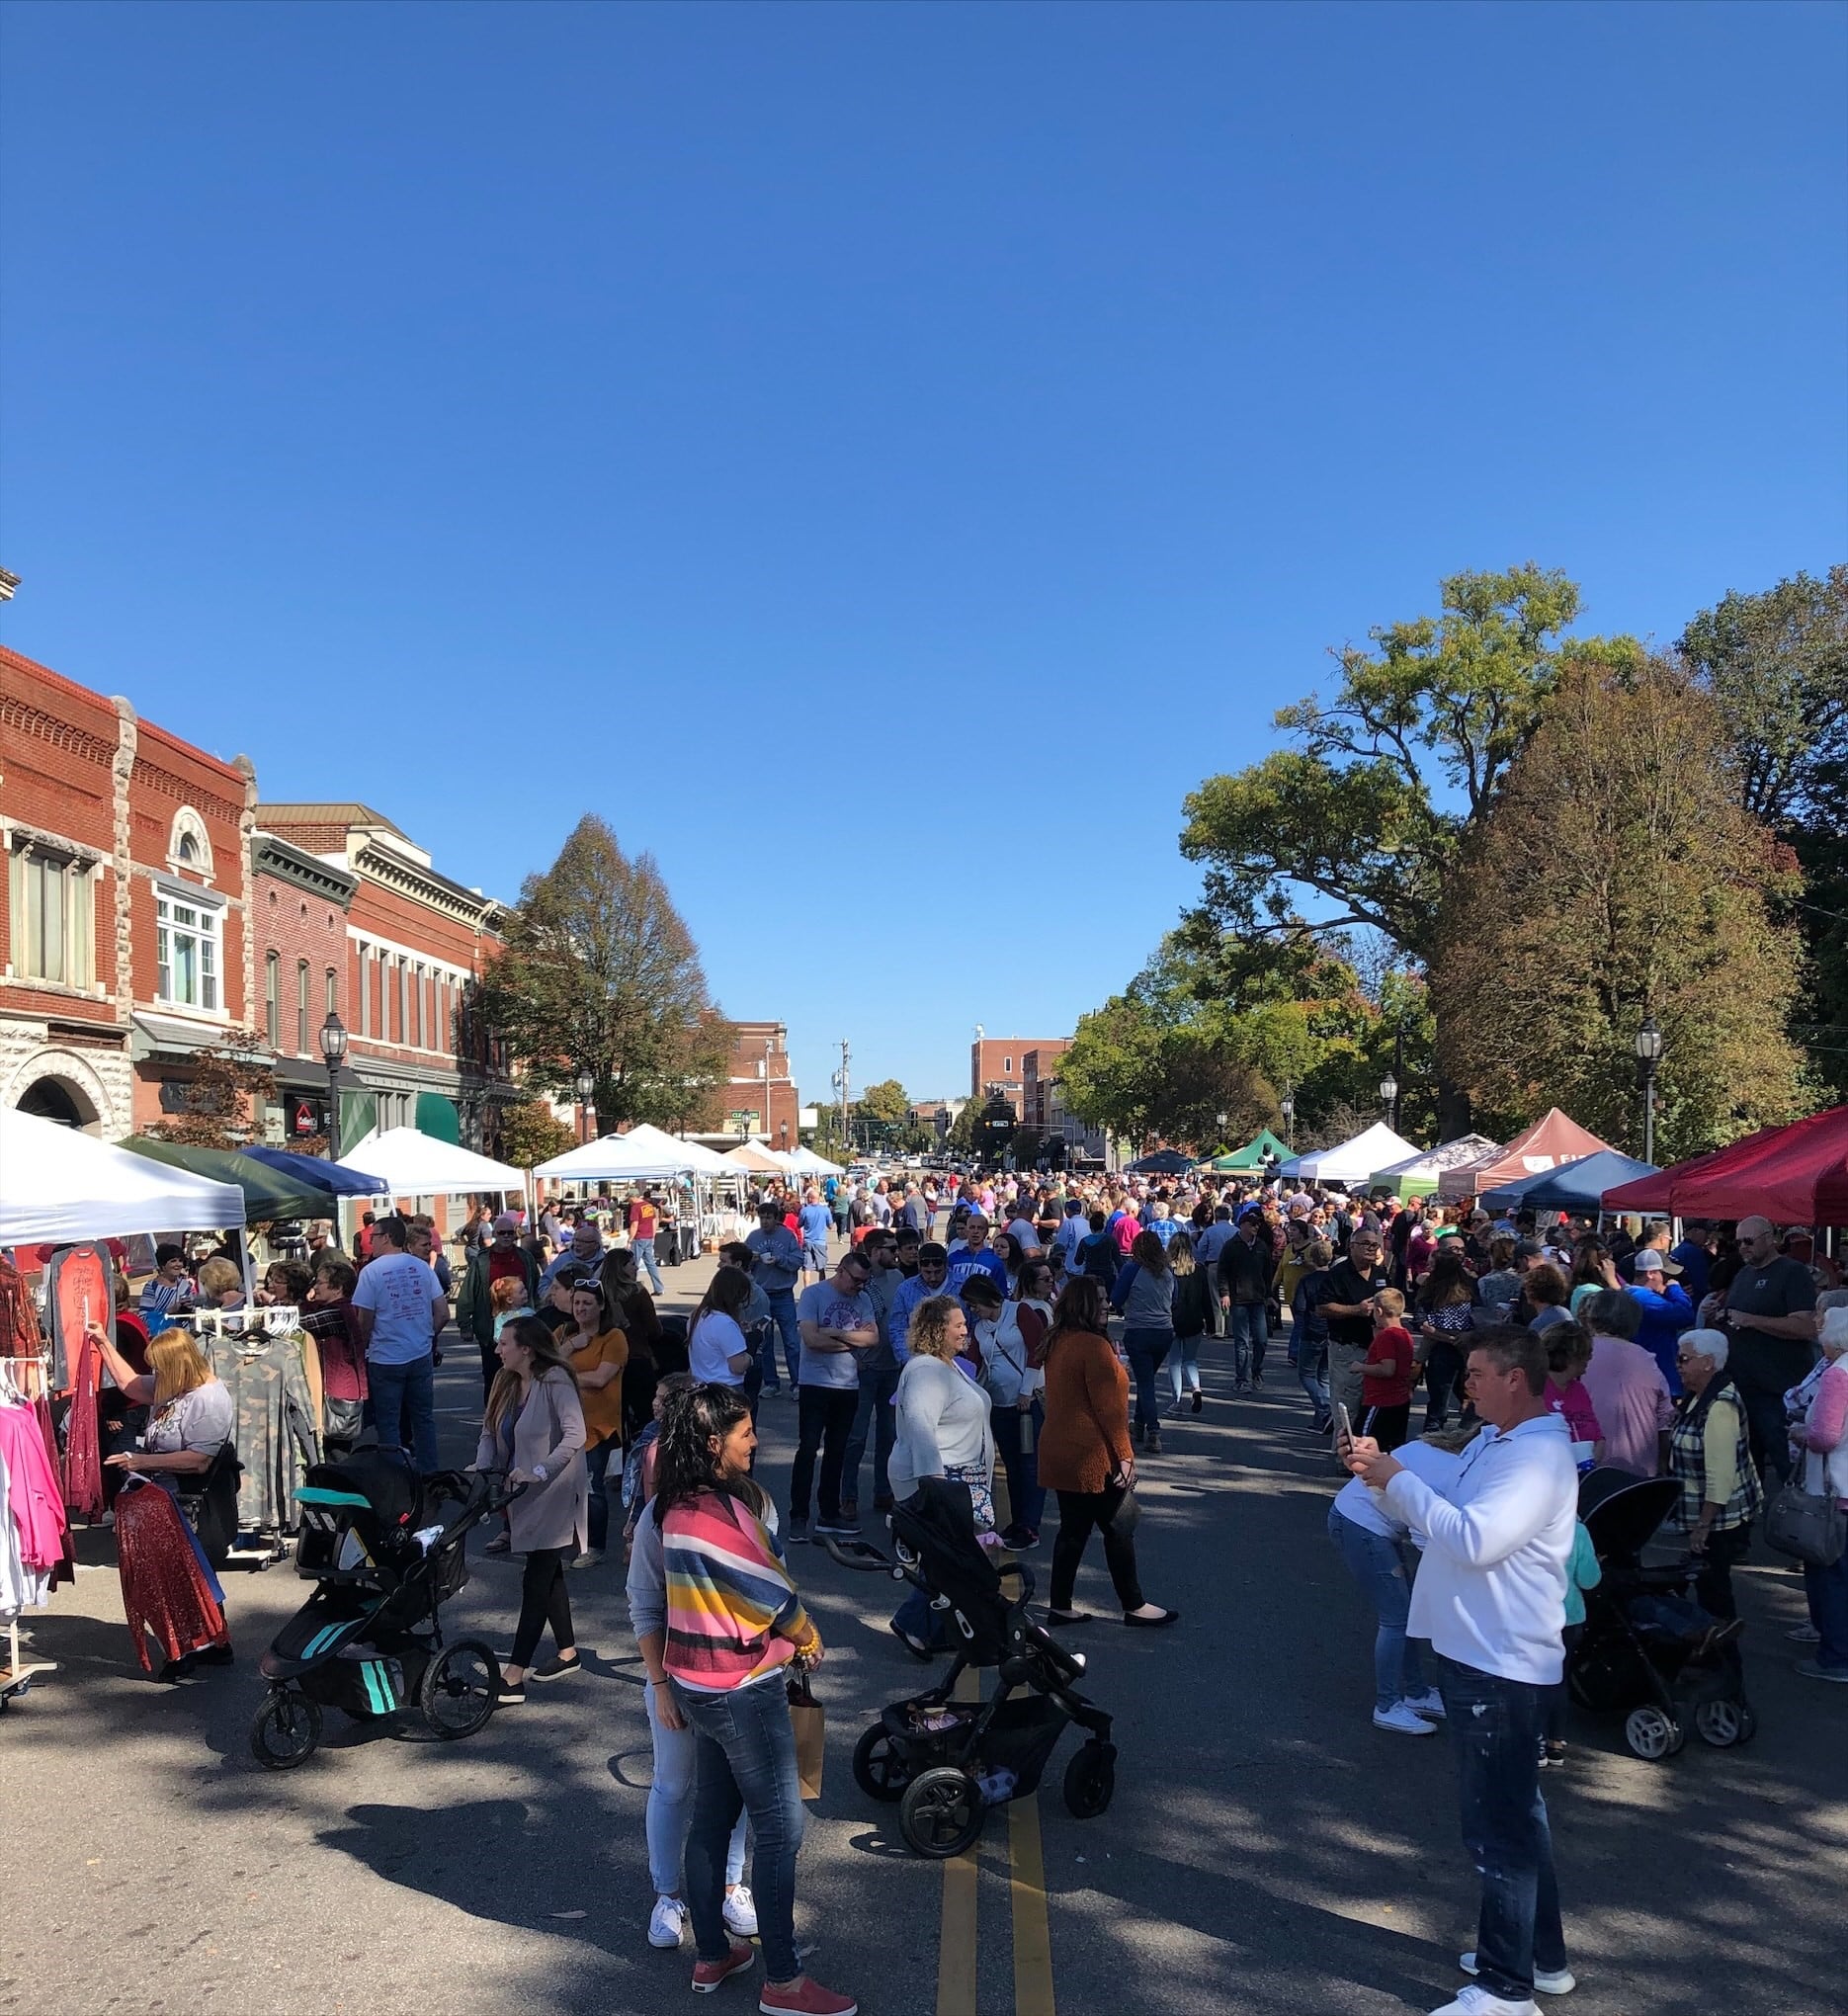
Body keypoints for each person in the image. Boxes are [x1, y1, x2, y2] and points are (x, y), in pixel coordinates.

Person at [1347, 1329, 1579, 2016]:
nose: (1464, 1382)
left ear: (1516, 1379)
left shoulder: (1535, 1456)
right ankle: (1539, 1957)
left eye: (1477, 1373)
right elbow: (1443, 1523)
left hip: (1497, 1660)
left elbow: (1474, 1540)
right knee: (1517, 1818)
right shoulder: (1499, 1443)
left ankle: (1507, 1991)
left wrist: (1399, 1480)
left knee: (1496, 1828)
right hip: (1481, 1651)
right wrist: (1383, 1480)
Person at [641, 1385, 855, 2016]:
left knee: (711, 1816)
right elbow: (766, 1590)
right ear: (714, 1444)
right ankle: (785, 1982)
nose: (755, 1441)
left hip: (695, 1684)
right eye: (745, 1433)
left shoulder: (670, 1507)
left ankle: (713, 1952)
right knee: (780, 1827)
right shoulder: (719, 1514)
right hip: (741, 1687)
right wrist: (808, 1636)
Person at [90, 1323, 236, 1677]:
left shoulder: (209, 1398)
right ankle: (203, 1645)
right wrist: (102, 1342)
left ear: (177, 1366)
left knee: (181, 1578)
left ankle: (190, 1650)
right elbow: (130, 1384)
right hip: (165, 1498)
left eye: (159, 1368)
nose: (155, 1374)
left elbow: (198, 1458)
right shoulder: (174, 1386)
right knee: (175, 1579)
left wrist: (140, 1461)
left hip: (192, 1503)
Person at [1037, 1278, 1176, 1630]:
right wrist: (1126, 1457)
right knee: (1119, 1527)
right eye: (1096, 1300)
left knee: (1073, 1531)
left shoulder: (1059, 1340)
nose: (1105, 1305)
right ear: (1080, 1304)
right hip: (1090, 1453)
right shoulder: (1091, 1346)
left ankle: (1060, 1604)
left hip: (1060, 1448)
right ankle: (1134, 1605)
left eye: (1104, 1299)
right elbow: (1109, 1412)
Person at [475, 1316, 589, 1702]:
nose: (497, 1349)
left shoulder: (555, 1380)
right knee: (548, 1568)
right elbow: (490, 1432)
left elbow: (576, 1435)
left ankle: (513, 1676)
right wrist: (483, 1468)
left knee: (535, 1579)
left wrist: (540, 1470)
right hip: (523, 1488)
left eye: (504, 1343)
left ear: (527, 1348)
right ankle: (568, 1652)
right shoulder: (505, 1381)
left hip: (555, 1489)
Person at [1327, 1430, 1461, 1734]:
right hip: (1362, 1524)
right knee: (1396, 1618)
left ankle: (1416, 1693)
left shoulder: (1443, 1450)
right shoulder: (1454, 1474)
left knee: (1406, 1614)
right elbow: (1424, 1533)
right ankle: (1387, 1705)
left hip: (1366, 1520)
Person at [886, 1294, 998, 1655]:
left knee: (951, 1559)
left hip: (961, 1477)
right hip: (942, 1479)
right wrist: (933, 1483)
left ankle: (937, 1628)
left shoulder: (948, 1366)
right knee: (953, 1560)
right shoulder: (925, 1370)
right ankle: (915, 1623)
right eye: (959, 1324)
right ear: (938, 1330)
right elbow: (920, 1426)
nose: (966, 1330)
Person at [1719, 1215, 1820, 1491]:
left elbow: (1806, 1326)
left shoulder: (1792, 1272)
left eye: (1749, 1241)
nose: (1743, 1247)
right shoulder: (1743, 1273)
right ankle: (1750, 1521)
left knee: (1787, 1464)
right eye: (1738, 1242)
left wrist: (1751, 1320)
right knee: (1746, 1466)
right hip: (1741, 1386)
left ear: (1770, 1238)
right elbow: (1735, 1316)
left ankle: (1799, 1524)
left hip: (1777, 1389)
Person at [1669, 1329, 1762, 1622]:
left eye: (1684, 1359)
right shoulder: (1698, 1396)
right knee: (1708, 1586)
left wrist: (1703, 1526)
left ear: (1708, 1362)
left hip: (1719, 1519)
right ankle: (1713, 1652)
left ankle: (1723, 1659)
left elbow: (1720, 1475)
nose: (1678, 1365)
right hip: (1707, 1514)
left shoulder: (1720, 1406)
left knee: (1714, 1591)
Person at [352, 1216, 449, 1473]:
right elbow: (443, 1313)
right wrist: (427, 1335)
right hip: (419, 1353)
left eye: (373, 1236)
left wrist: (361, 1350)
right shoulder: (421, 1267)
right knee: (423, 1418)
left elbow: (364, 1320)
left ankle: (397, 1478)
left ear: (386, 1237)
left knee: (389, 1422)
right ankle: (430, 1473)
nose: (370, 1241)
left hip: (386, 1356)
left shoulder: (371, 1272)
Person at [790, 1250, 876, 1542]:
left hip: (847, 1385)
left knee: (837, 1452)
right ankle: (798, 1515)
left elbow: (872, 1339)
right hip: (815, 1383)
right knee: (808, 1448)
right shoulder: (814, 1295)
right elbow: (812, 1340)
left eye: (864, 1281)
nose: (859, 1286)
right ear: (841, 1271)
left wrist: (835, 1333)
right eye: (855, 1279)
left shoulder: (863, 1300)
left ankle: (829, 1512)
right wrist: (853, 1343)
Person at [1787, 1304, 1848, 1682]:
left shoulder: (1838, 1376)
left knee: (1832, 1574)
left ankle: (1835, 1655)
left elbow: (1825, 1436)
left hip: (1834, 1489)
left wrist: (1799, 1434)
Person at [563, 1281, 629, 1570]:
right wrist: (568, 1348)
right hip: (563, 1424)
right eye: (577, 1302)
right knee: (564, 1487)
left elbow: (602, 1378)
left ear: (601, 1306)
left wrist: (565, 1376)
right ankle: (564, 1542)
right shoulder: (564, 1335)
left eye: (588, 1303)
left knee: (591, 1488)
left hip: (598, 1426)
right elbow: (542, 1365)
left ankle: (594, 1547)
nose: (581, 1308)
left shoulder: (613, 1338)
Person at [839, 1228, 902, 1522]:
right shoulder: (858, 1281)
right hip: (864, 1369)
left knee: (889, 1435)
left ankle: (883, 1491)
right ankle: (848, 1496)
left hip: (892, 1368)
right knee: (856, 1436)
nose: (897, 1252)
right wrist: (854, 1358)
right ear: (876, 1252)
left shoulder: (899, 1279)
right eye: (891, 1248)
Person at [1577, 1289, 1673, 1478]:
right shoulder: (1647, 1360)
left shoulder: (1576, 1356)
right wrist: (1663, 1463)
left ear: (1592, 1317)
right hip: (1639, 1472)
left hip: (1588, 1469)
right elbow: (1665, 1420)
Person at [457, 1213, 541, 1401]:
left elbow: (536, 1288)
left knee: (523, 1377)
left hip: (523, 1330)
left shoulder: (525, 1257)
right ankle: (492, 1422)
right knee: (493, 1379)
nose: (507, 1236)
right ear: (494, 1233)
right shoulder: (483, 1260)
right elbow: (468, 1293)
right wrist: (465, 1325)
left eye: (510, 1233)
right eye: (502, 1233)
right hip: (491, 1330)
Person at [1111, 1230, 1177, 1453]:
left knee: (1145, 1382)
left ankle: (1153, 1431)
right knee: (1146, 1379)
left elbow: (1117, 1298)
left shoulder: (1132, 1269)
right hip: (1164, 1331)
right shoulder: (1168, 1271)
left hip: (1139, 1329)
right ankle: (1139, 1425)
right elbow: (1175, 1300)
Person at [1543, 1516, 1601, 1767]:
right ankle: (1555, 1740)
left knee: (1530, 1679)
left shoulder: (1528, 1525)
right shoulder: (1578, 1531)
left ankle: (1533, 1738)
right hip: (1569, 1614)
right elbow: (1589, 1579)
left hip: (1533, 1614)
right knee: (1560, 1678)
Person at [1324, 1226, 1389, 1438]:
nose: (1372, 1248)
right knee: (1347, 1404)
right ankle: (1343, 1456)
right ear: (1352, 1246)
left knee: (1372, 1404)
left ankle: (1365, 1453)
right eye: (1366, 1244)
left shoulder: (1381, 1274)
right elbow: (1322, 1307)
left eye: (1375, 1244)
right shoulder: (1338, 1274)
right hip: (1347, 1347)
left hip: (1376, 1347)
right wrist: (1355, 1310)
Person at [746, 1201, 805, 1395]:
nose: (764, 1222)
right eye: (761, 1218)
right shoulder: (753, 1237)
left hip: (783, 1295)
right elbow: (743, 1264)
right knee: (765, 1341)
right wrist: (751, 1260)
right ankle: (771, 1383)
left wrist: (780, 1260)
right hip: (761, 1297)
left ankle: (797, 1382)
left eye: (768, 1218)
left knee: (791, 1340)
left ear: (775, 1219)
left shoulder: (787, 1236)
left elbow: (797, 1261)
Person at [1416, 1249, 1477, 1430]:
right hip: (1457, 1349)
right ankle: (1438, 1438)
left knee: (1449, 1400)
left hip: (1454, 1350)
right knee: (1443, 1402)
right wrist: (1454, 1337)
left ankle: (1453, 1436)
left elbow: (1422, 1322)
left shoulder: (1466, 1288)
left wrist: (1441, 1334)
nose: (1428, 1267)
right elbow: (1422, 1322)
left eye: (1432, 1264)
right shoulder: (1467, 1287)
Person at [1217, 1210, 1275, 1390]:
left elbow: (1267, 1272)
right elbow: (1222, 1271)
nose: (1256, 1227)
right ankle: (1241, 1379)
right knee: (1241, 1341)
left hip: (1258, 1298)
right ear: (1242, 1225)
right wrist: (1225, 1293)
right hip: (1239, 1298)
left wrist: (1269, 1295)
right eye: (1252, 1224)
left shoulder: (1261, 1246)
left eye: (1258, 1224)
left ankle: (1256, 1371)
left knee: (1261, 1340)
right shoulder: (1231, 1246)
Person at [1627, 1248, 1696, 1393]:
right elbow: (1685, 1315)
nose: (1666, 1279)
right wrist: (1675, 1289)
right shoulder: (1643, 1298)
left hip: (1648, 1375)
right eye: (1663, 1274)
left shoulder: (1631, 1294)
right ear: (1650, 1273)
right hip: (1659, 1378)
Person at [1360, 1289, 1416, 1452]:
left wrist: (1360, 1367)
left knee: (1363, 1444)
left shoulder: (1387, 1336)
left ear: (1378, 1311)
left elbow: (1387, 1369)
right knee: (1391, 1448)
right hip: (1399, 1398)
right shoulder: (1404, 1334)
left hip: (1380, 1399)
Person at [1290, 1238, 1336, 1434]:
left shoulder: (1307, 1281)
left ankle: (1325, 1409)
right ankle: (1321, 1419)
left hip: (1312, 1329)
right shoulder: (1336, 1278)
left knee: (1306, 1373)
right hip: (1332, 1330)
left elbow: (1299, 1307)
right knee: (1324, 1376)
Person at [1542, 1323, 1603, 1471]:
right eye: (1585, 1353)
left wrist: (1597, 1452)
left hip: (1584, 1472)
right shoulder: (1535, 1389)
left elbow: (1598, 1436)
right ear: (1570, 1356)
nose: (1590, 1357)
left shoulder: (1579, 1389)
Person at [1164, 1232, 1213, 1415]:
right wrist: (1211, 1323)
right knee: (1190, 1359)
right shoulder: (1199, 1270)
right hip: (1194, 1320)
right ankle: (1196, 1387)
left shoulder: (1168, 1271)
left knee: (1174, 1362)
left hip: (1173, 1320)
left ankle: (1176, 1401)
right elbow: (1206, 1299)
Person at [689, 1268, 756, 1387]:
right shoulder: (725, 1323)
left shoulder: (697, 1315)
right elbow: (738, 1366)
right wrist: (749, 1357)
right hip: (725, 1387)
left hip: (700, 1384)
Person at [138, 1244, 196, 1327]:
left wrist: (189, 1309)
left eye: (180, 1260)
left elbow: (192, 1315)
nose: (178, 1264)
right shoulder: (152, 1287)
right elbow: (143, 1318)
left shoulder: (185, 1286)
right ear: (163, 1265)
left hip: (182, 1334)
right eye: (173, 1261)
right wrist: (170, 1310)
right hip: (161, 1336)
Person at [627, 1190, 668, 1294]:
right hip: (649, 1237)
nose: (628, 1201)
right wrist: (653, 1235)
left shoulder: (635, 1208)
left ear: (633, 1197)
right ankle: (659, 1288)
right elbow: (655, 1220)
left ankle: (631, 1287)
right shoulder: (648, 1206)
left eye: (629, 1199)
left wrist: (630, 1239)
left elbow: (634, 1224)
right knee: (650, 1264)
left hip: (639, 1238)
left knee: (633, 1264)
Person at [798, 1189, 834, 1282]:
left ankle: (806, 1289)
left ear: (810, 1198)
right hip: (820, 1242)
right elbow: (830, 1226)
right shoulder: (825, 1210)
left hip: (808, 1241)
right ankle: (821, 1289)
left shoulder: (804, 1210)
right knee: (821, 1269)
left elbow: (799, 1224)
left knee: (807, 1268)